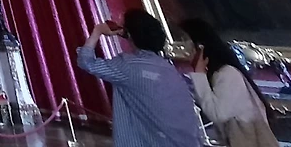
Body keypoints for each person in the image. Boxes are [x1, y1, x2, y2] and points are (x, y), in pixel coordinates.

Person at [77, 10, 203, 147]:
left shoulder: (127, 66)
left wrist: (98, 31)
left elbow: (86, 61)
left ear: (128, 34)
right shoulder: (169, 69)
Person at [182, 19, 278, 147]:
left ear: (200, 47)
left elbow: (218, 114)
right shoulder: (219, 74)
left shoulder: (227, 73)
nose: (185, 51)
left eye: (186, 43)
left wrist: (199, 74)